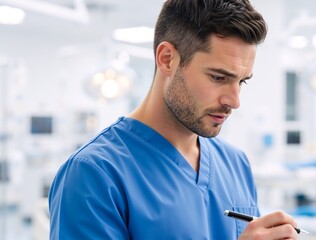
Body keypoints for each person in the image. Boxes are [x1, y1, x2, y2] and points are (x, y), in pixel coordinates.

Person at [48, 0, 300, 239]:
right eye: (218, 78)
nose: (234, 101)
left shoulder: (235, 164)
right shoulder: (94, 173)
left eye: (241, 81)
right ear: (167, 59)